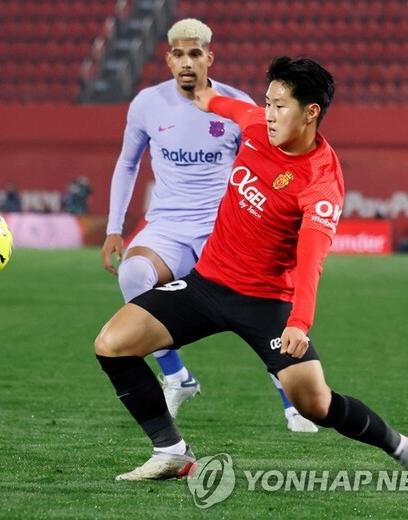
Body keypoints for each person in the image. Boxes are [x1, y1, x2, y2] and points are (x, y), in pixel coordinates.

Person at [94, 56, 408, 482]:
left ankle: (402, 447)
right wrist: (199, 87)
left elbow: (313, 259)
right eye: (267, 102)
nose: (269, 113)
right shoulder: (257, 126)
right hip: (206, 284)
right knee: (113, 343)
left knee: (314, 403)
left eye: (280, 105)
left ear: (310, 112)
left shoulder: (320, 184)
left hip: (267, 304)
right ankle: (172, 452)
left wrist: (299, 322)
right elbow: (220, 103)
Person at [101, 19, 315, 431]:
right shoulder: (146, 104)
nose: (186, 62)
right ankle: (177, 377)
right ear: (167, 58)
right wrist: (115, 227)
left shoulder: (238, 105)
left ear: (208, 58)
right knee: (134, 274)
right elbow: (127, 163)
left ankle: (291, 401)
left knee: (262, 306)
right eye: (178, 54)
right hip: (168, 226)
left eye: (195, 54)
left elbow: (269, 166)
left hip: (227, 227)